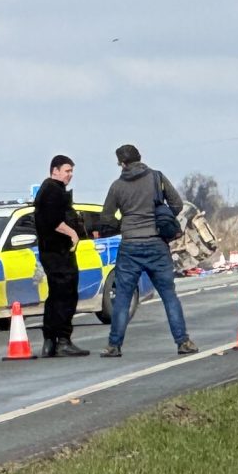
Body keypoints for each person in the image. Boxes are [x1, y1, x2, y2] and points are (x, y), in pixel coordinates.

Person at [96, 144, 196, 357]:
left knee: (122, 297)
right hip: (157, 243)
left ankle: (114, 345)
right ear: (140, 158)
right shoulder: (157, 178)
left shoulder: (117, 187)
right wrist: (160, 216)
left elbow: (105, 218)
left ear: (122, 163)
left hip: (130, 245)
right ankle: (183, 342)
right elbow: (177, 205)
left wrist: (125, 222)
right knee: (169, 296)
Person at [30, 154, 89, 356]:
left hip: (51, 252)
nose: (70, 175)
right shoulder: (53, 190)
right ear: (55, 171)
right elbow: (53, 220)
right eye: (67, 171)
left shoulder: (49, 190)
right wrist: (72, 233)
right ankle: (63, 340)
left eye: (71, 171)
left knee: (55, 296)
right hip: (58, 253)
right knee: (66, 295)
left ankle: (50, 342)